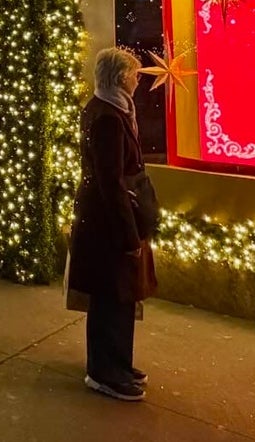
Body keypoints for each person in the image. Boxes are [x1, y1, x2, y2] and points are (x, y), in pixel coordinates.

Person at [67, 47, 157, 402]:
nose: (137, 81)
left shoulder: (107, 108)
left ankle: (117, 363)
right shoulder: (108, 117)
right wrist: (128, 234)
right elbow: (111, 181)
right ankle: (105, 371)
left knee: (118, 297)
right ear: (120, 77)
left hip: (107, 218)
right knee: (112, 296)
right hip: (108, 223)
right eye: (134, 74)